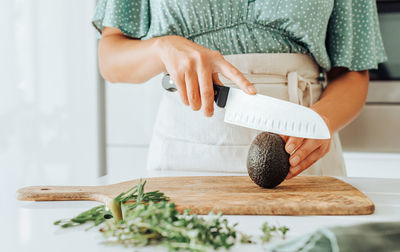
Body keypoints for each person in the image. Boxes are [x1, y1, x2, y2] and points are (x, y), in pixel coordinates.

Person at [92, 0, 386, 178]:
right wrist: (161, 48)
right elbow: (110, 59)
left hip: (303, 160)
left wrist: (321, 122)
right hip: (186, 159)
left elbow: (353, 72)